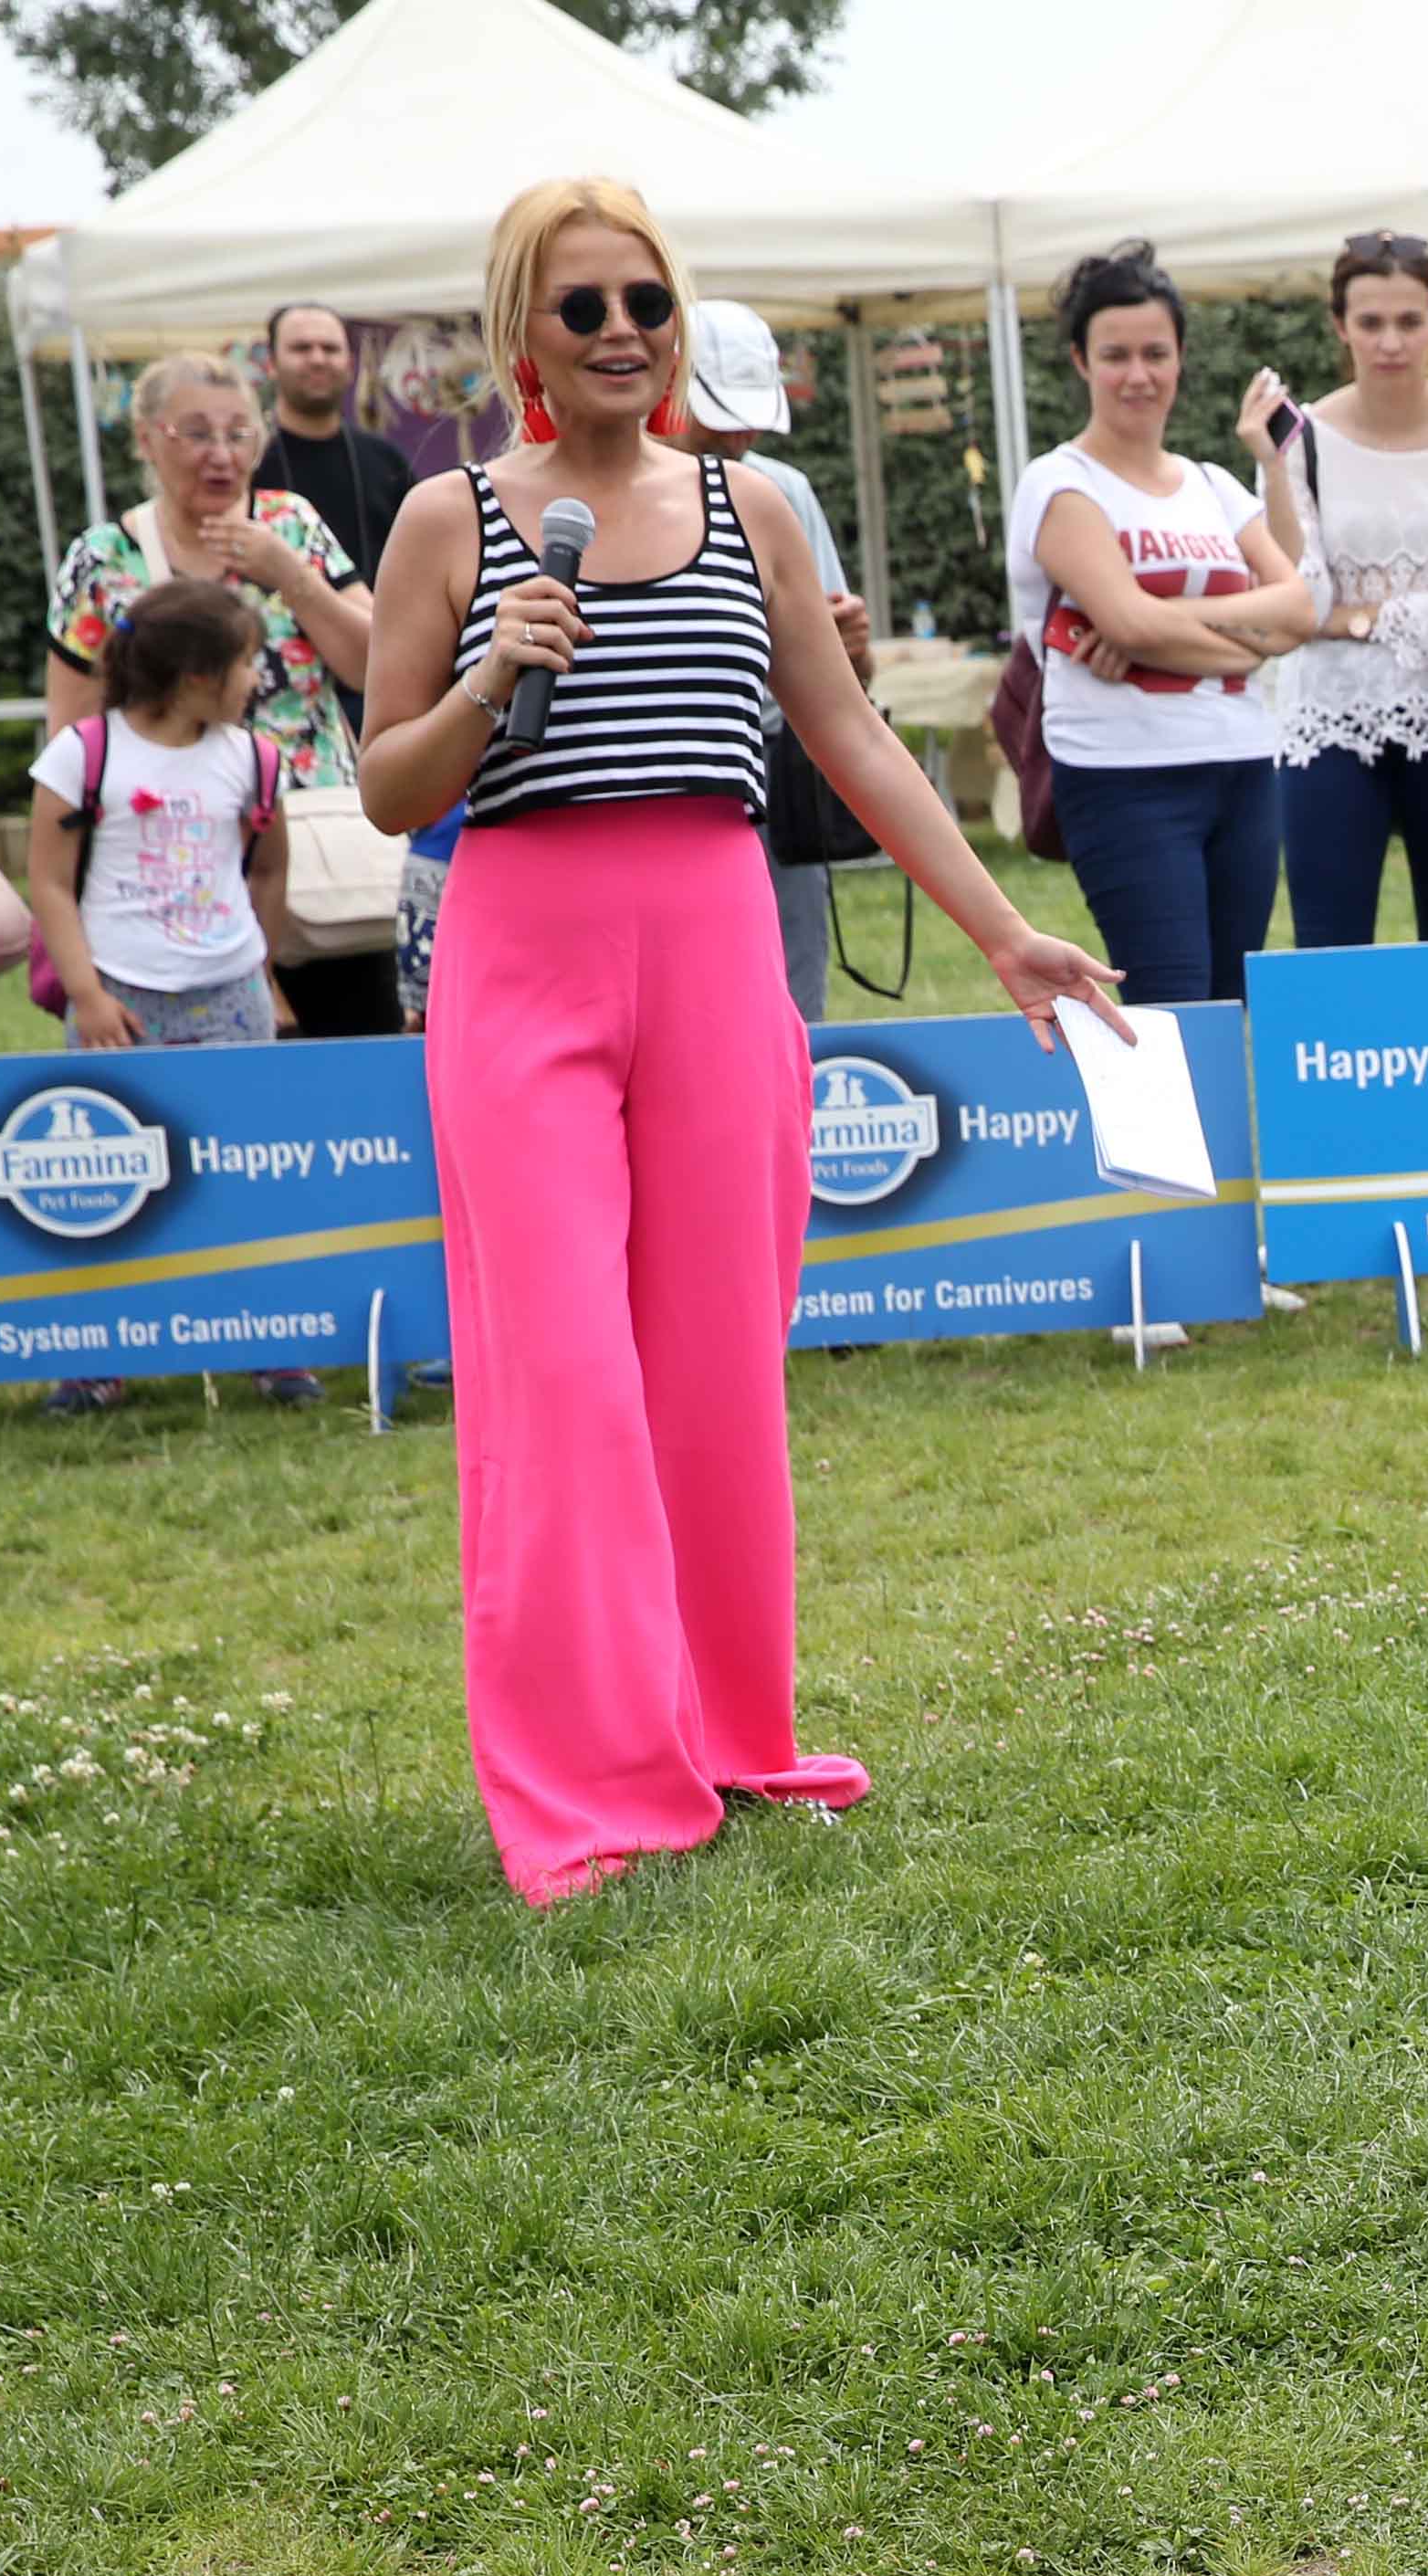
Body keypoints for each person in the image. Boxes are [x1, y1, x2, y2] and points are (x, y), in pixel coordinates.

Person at [357, 175, 1122, 1904]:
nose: (623, 332)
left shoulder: (753, 501)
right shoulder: (446, 520)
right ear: (521, 335)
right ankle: (584, 1787)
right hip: (521, 951)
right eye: (584, 309)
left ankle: (726, 1732)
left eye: (648, 301)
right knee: (560, 1376)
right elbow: (388, 785)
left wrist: (1003, 933)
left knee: (713, 1371)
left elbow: (848, 737)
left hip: (716, 947)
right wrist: (491, 682)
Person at [19, 578, 316, 1417]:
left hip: (228, 998)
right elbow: (48, 880)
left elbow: (267, 867)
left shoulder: (251, 758)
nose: (257, 678)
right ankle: (101, 1356)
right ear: (193, 675)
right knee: (105, 1185)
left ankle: (274, 1344)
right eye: (247, 663)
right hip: (122, 999)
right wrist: (87, 993)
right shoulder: (85, 754)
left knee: (245, 1174)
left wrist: (262, 972)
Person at [1004, 240, 1316, 1007]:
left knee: (1229, 1000)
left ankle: (1214, 1134)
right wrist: (1243, 642)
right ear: (1080, 360)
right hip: (1124, 779)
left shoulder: (1211, 485)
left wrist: (1166, 619)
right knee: (1169, 1000)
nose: (1137, 375)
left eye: (1155, 352)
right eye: (1115, 355)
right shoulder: (1060, 482)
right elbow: (1125, 621)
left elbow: (1300, 607)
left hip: (1244, 766)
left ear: (1180, 358)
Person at [47, 353, 385, 1036]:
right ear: (148, 439)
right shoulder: (105, 558)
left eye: (239, 434)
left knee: (348, 1052)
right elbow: (73, 732)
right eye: (196, 434)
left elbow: (373, 667)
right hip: (166, 871)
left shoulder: (291, 527)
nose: (221, 455)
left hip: (318, 854)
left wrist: (292, 577)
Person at [1272, 230, 1428, 949]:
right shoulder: (1295, 438)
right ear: (1341, 326)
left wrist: (1359, 618)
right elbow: (1295, 600)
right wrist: (1326, 615)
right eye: (1371, 322)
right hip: (1328, 714)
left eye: (1409, 321)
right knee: (1327, 946)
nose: (1391, 341)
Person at [684, 297, 878, 1017]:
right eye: (719, 416)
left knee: (794, 993)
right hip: (670, 787)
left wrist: (851, 649)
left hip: (774, 765)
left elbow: (849, 684)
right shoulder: (597, 494)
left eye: (751, 417)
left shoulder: (782, 491)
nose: (738, 435)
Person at [252, 303, 415, 590]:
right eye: (301, 348)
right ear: (271, 364)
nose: (317, 359)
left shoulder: (387, 461)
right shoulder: (249, 461)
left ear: (350, 365)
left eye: (330, 349)